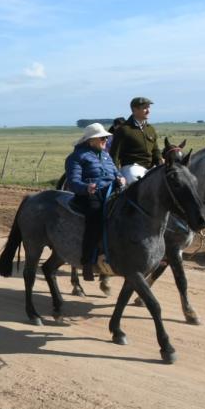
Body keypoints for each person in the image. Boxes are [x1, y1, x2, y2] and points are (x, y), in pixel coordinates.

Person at [65, 123, 126, 281]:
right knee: (96, 221)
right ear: (91, 140)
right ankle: (87, 262)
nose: (106, 139)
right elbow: (73, 182)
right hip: (90, 195)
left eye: (106, 137)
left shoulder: (106, 155)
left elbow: (115, 172)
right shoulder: (76, 157)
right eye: (102, 137)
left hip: (112, 192)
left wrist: (120, 177)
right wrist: (86, 187)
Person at [110, 97, 162, 185]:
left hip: (151, 168)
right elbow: (114, 155)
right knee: (139, 185)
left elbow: (155, 150)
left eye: (149, 107)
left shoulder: (150, 129)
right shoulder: (123, 130)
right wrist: (116, 175)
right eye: (145, 108)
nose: (148, 111)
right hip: (131, 167)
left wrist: (160, 160)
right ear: (135, 109)